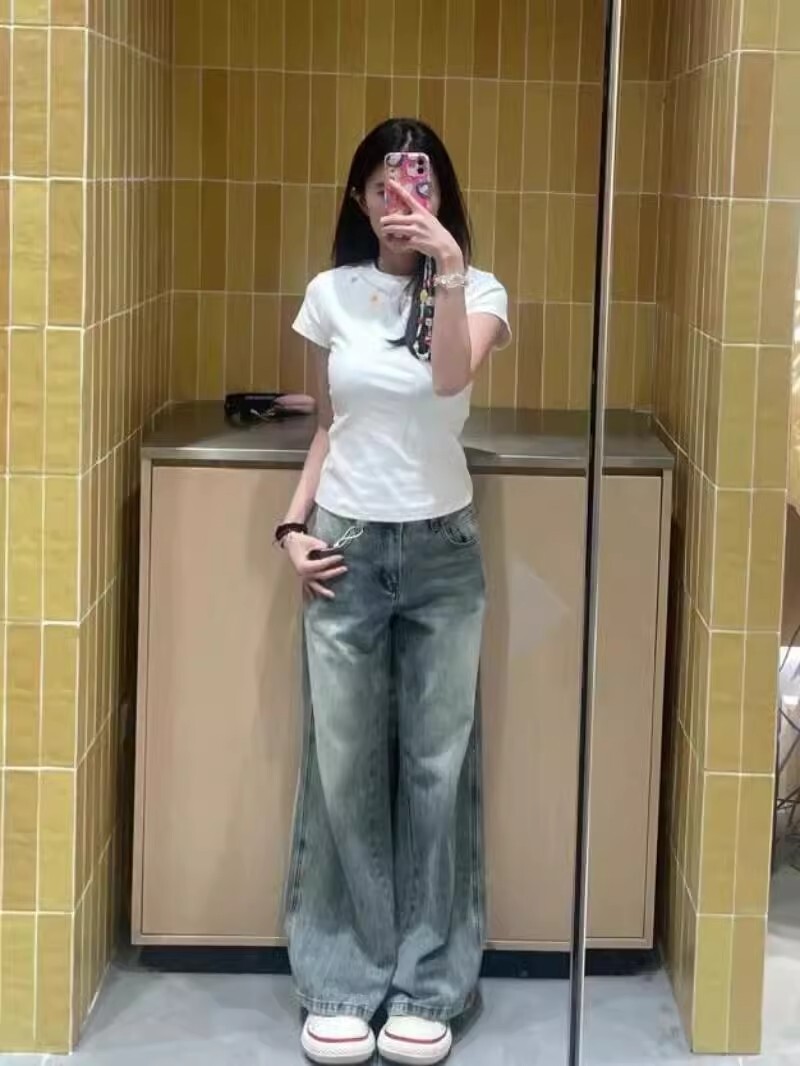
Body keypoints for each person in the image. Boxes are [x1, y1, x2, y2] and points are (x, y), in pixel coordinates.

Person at [275, 118, 510, 1066]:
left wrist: (446, 266)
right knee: (344, 765)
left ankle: (428, 985)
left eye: (416, 182)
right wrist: (292, 527)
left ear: (442, 193)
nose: (397, 199)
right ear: (358, 199)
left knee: (436, 769)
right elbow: (329, 426)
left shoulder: (478, 290)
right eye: (380, 184)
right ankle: (342, 978)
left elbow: (449, 379)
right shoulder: (330, 293)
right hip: (345, 544)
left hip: (443, 551)